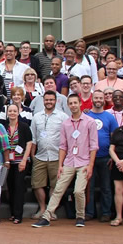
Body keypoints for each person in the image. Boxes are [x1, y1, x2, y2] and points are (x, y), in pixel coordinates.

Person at [32, 94, 97, 228]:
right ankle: (47, 216)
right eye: (70, 103)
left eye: (75, 103)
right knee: (58, 189)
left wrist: (91, 165)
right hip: (68, 161)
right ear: (68, 105)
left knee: (79, 191)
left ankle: (80, 216)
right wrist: (60, 165)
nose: (73, 105)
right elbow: (63, 146)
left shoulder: (90, 122)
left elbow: (94, 146)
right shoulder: (66, 123)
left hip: (84, 161)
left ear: (80, 103)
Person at [29, 91, 67, 220]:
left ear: (56, 101)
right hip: (40, 156)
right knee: (37, 184)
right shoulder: (37, 117)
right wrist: (32, 156)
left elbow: (66, 138)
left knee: (55, 185)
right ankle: (42, 209)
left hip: (57, 157)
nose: (49, 102)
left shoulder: (63, 117)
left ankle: (51, 211)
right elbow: (33, 137)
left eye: (51, 100)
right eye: (47, 100)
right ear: (43, 101)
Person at [83, 90, 118, 222]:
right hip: (88, 157)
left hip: (105, 157)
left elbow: (114, 137)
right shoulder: (85, 115)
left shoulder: (109, 117)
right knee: (89, 187)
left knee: (106, 187)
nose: (98, 100)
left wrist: (113, 156)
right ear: (92, 99)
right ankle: (89, 212)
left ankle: (106, 212)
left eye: (100, 98)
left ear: (104, 100)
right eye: (96, 98)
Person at [3, 103, 33, 224]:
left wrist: (25, 160)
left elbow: (29, 143)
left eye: (14, 111)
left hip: (21, 162)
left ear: (18, 112)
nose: (12, 113)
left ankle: (18, 215)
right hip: (8, 162)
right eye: (10, 111)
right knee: (10, 187)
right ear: (7, 113)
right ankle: (12, 213)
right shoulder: (3, 127)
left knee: (19, 187)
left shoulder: (24, 126)